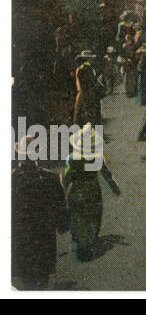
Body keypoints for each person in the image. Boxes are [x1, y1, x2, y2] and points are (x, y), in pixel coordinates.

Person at [13, 135, 69, 289]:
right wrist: (63, 224)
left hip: (20, 235)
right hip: (44, 234)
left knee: (25, 277)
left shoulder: (11, 179)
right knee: (42, 276)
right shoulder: (50, 179)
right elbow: (60, 205)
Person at [61, 123, 122, 262]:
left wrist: (63, 183)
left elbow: (66, 179)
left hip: (77, 190)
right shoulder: (96, 157)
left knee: (77, 215)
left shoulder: (72, 159)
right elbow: (106, 175)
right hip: (92, 189)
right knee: (93, 215)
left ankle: (80, 240)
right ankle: (90, 240)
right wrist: (115, 189)